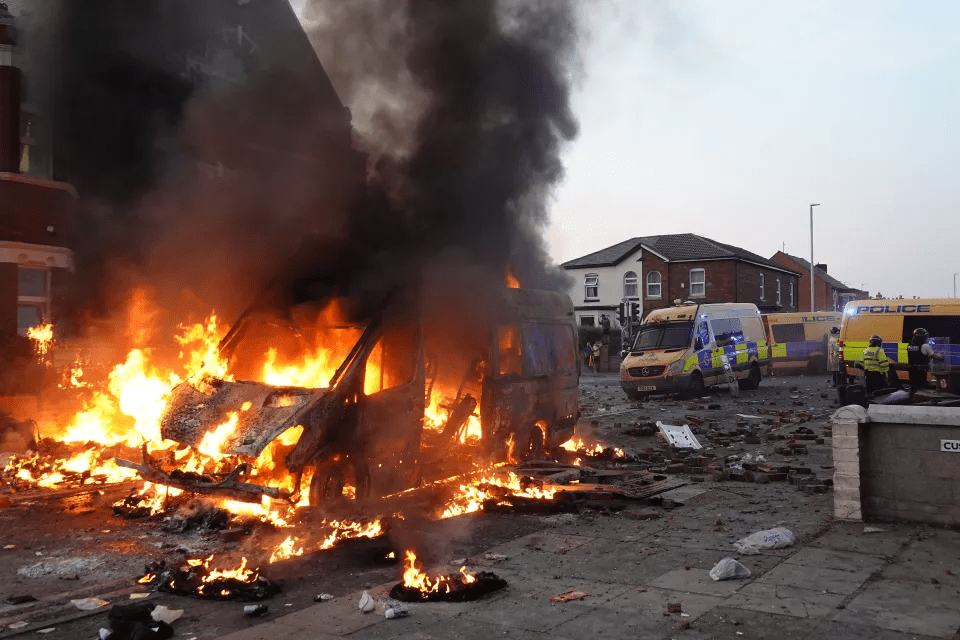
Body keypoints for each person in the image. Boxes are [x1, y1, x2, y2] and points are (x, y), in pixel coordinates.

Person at [907, 327, 944, 394]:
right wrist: (941, 356)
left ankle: (912, 399)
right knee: (922, 388)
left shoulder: (910, 345)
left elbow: (917, 356)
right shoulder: (925, 346)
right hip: (921, 371)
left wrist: (927, 357)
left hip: (912, 370)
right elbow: (934, 356)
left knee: (913, 386)